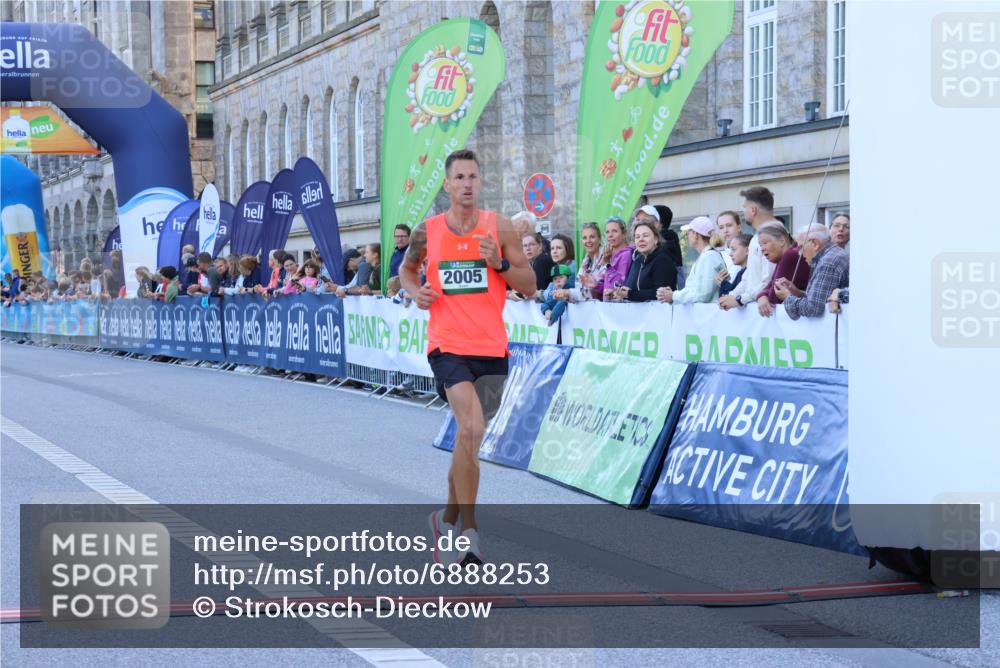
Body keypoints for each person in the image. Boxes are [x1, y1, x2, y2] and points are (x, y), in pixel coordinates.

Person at [398, 149, 535, 567]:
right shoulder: (426, 231)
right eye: (459, 177)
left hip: (492, 348)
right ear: (447, 184)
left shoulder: (501, 227)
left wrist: (498, 263)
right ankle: (467, 534)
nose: (467, 183)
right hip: (447, 344)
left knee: (468, 439)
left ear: (481, 180)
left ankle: (445, 518)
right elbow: (406, 271)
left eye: (473, 176)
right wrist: (415, 293)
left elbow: (529, 284)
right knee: (471, 427)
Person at [719, 186, 779, 311]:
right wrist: (731, 296)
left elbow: (769, 280)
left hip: (767, 311)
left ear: (753, 210)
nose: (743, 212)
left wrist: (739, 299)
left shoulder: (774, 234)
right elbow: (748, 276)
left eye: (744, 207)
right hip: (755, 310)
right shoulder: (756, 238)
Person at [778, 226, 850, 319]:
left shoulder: (827, 262)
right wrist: (798, 293)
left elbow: (813, 308)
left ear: (815, 243)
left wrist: (787, 297)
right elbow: (822, 299)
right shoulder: (831, 255)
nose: (799, 253)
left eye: (801, 247)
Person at [657, 216, 726, 304]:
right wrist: (673, 296)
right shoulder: (707, 256)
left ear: (695, 234)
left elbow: (703, 294)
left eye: (688, 233)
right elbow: (696, 291)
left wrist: (674, 295)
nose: (687, 236)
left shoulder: (709, 257)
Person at [754, 223, 810, 317]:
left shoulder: (791, 255)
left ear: (781, 241)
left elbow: (773, 297)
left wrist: (763, 295)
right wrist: (762, 296)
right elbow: (771, 285)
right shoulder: (787, 255)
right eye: (760, 245)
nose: (762, 249)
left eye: (765, 243)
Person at [615, 218, 676, 302]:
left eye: (645, 235)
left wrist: (630, 294)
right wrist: (622, 292)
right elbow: (637, 290)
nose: (641, 240)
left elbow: (660, 293)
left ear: (656, 239)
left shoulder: (662, 260)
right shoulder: (639, 260)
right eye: (637, 237)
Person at [514, 231, 552, 298]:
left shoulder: (543, 260)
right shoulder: (530, 263)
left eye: (531, 244)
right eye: (525, 246)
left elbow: (535, 288)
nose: (528, 248)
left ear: (540, 246)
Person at [716, 210, 744, 284]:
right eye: (721, 227)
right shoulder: (718, 255)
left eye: (729, 225)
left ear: (739, 227)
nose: (725, 230)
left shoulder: (751, 249)